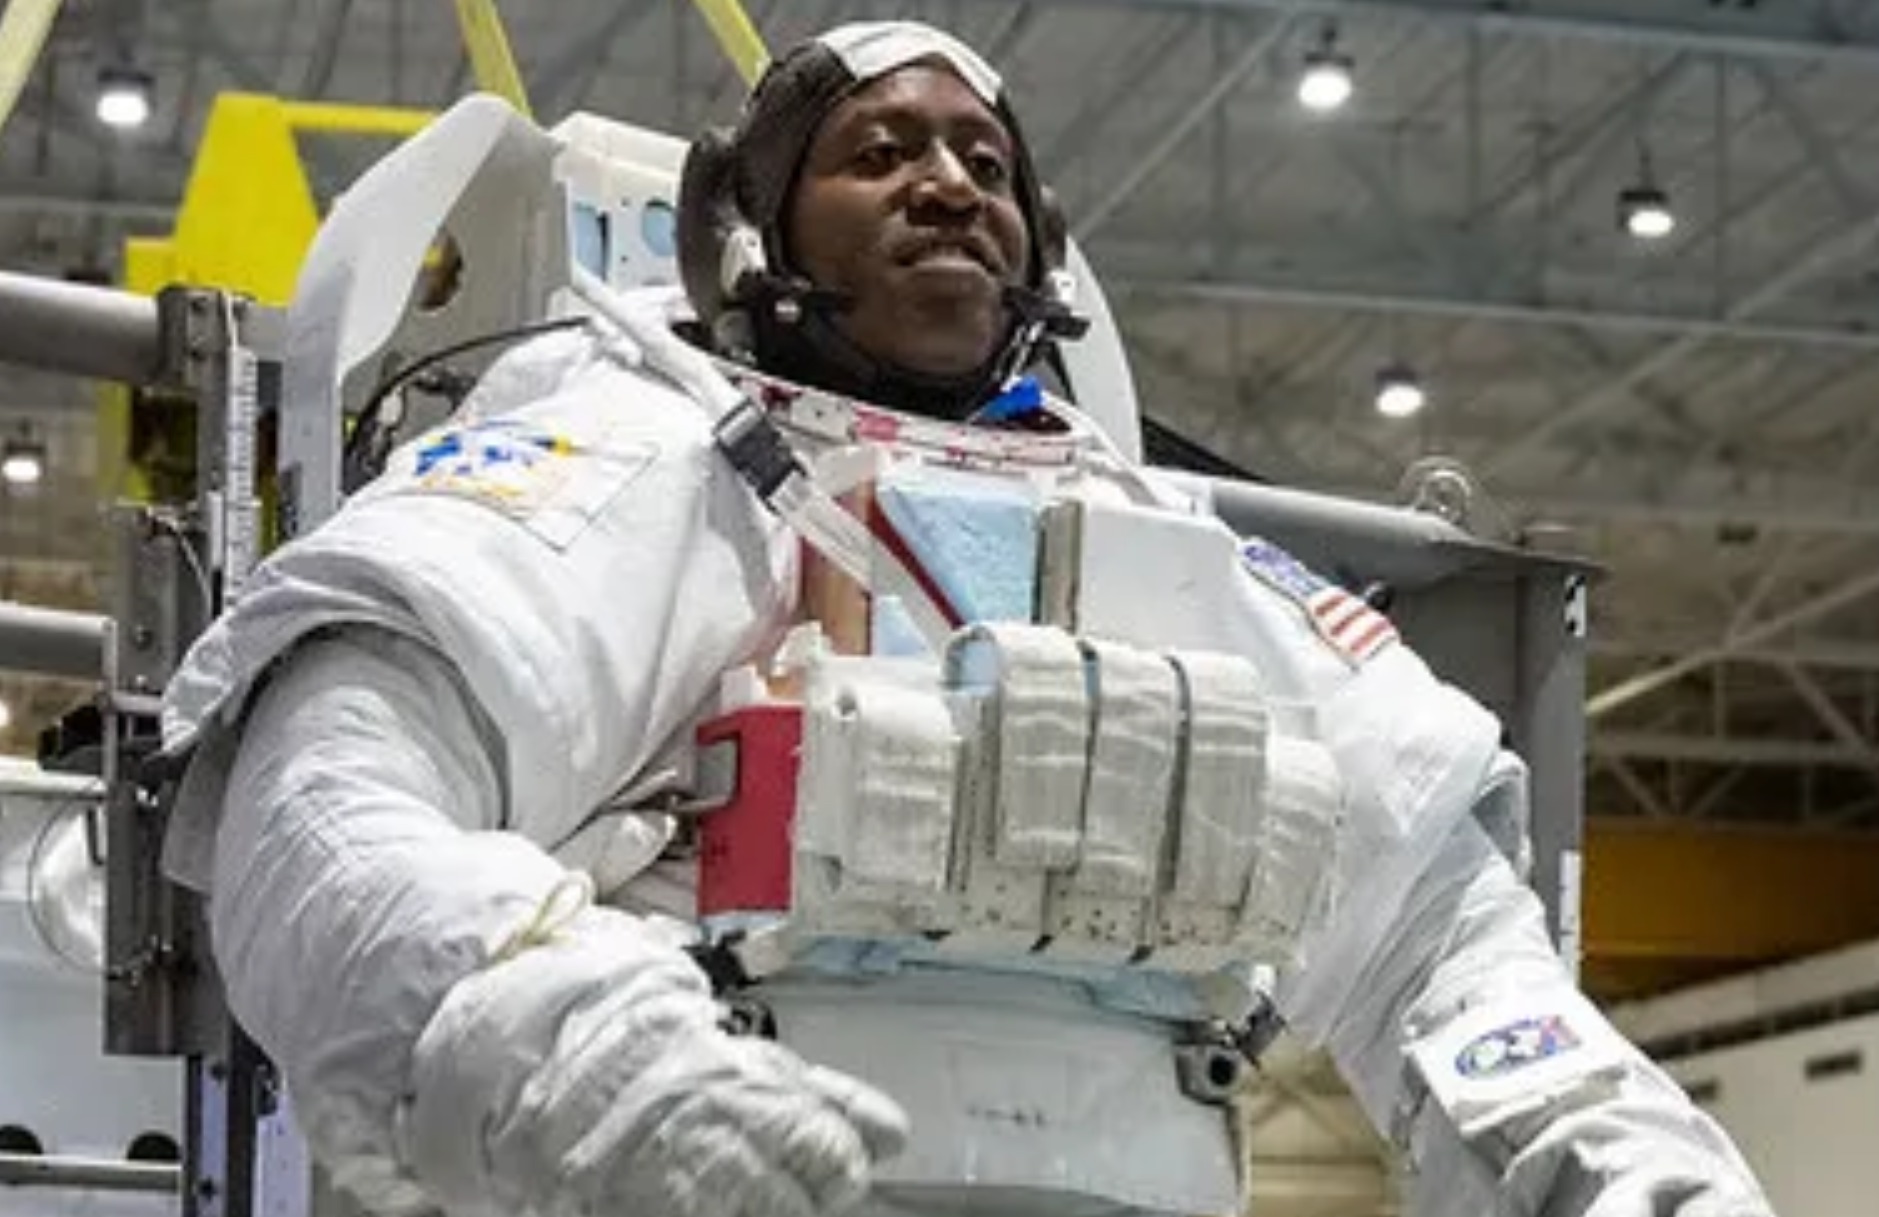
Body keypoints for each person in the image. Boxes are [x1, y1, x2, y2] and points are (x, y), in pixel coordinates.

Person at [157, 20, 1777, 1217]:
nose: (946, 183)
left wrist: (1617, 1164)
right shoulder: (637, 453)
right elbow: (330, 804)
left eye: (987, 165)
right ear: (752, 235)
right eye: (879, 155)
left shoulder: (1168, 543)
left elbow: (1440, 931)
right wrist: (567, 1058)